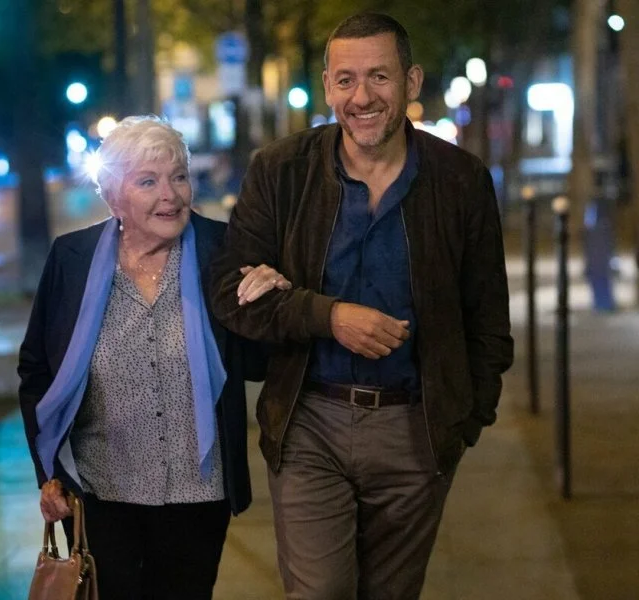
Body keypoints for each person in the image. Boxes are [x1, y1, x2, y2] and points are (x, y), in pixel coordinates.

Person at [209, 12, 514, 599]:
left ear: (411, 81)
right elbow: (230, 291)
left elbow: (488, 321)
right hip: (309, 423)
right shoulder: (281, 171)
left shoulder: (460, 179)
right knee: (319, 591)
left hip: (416, 430)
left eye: (379, 76)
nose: (362, 97)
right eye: (346, 80)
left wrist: (463, 423)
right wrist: (327, 316)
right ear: (328, 86)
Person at [17, 115, 289, 600]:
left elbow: (257, 363)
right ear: (113, 196)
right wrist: (49, 473)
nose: (170, 195)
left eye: (178, 177)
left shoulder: (222, 250)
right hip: (101, 491)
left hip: (199, 492)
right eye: (147, 181)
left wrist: (272, 303)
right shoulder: (71, 258)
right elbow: (37, 369)